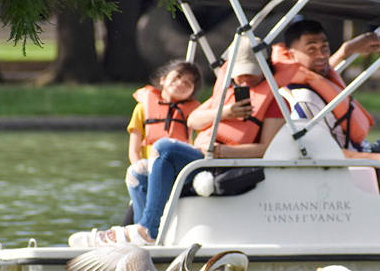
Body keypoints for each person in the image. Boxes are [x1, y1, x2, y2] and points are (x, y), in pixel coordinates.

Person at [69, 38, 287, 247]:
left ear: (265, 69)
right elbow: (194, 119)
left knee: (164, 147)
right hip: (203, 158)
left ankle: (148, 231)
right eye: (240, 73)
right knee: (137, 173)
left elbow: (264, 150)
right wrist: (226, 112)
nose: (245, 79)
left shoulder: (274, 101)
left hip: (223, 164)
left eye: (252, 73)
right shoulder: (226, 95)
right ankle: (142, 237)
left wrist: (221, 151)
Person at [273, 19, 380, 183]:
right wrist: (378, 159)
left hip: (364, 148)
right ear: (292, 55)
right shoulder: (304, 101)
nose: (321, 55)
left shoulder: (311, 80)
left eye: (324, 48)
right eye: (312, 50)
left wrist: (346, 50)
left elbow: (322, 72)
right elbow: (320, 150)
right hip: (359, 159)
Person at [122, 60, 202, 228]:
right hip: (146, 170)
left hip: (173, 170)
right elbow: (134, 149)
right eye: (178, 77)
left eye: (188, 82)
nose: (181, 83)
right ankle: (139, 232)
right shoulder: (142, 108)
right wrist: (139, 168)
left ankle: (147, 231)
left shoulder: (195, 113)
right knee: (135, 175)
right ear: (163, 80)